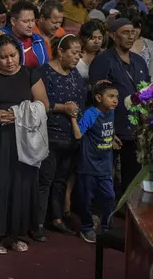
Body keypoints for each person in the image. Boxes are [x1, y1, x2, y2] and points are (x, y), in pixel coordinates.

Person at [0, 34, 49, 254]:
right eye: (3, 57)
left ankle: (14, 234)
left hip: (25, 138)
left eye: (13, 55)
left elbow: (43, 105)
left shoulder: (30, 74)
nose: (9, 61)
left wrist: (19, 113)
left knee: (22, 185)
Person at [33, 34, 85, 242]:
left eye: (79, 54)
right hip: (50, 135)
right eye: (73, 53)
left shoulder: (75, 74)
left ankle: (56, 218)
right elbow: (37, 103)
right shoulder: (44, 73)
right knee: (44, 180)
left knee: (61, 180)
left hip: (70, 136)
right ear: (60, 51)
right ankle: (36, 222)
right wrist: (61, 108)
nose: (77, 58)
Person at [89, 18, 150, 192]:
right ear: (113, 36)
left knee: (133, 173)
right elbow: (97, 97)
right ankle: (101, 211)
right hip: (111, 128)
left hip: (136, 128)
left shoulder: (139, 61)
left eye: (132, 32)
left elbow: (146, 91)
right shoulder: (103, 60)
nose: (130, 36)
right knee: (104, 174)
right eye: (125, 33)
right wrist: (108, 128)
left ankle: (127, 209)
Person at [71, 82, 118, 243]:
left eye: (116, 97)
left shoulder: (111, 113)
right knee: (86, 200)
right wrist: (72, 119)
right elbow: (78, 135)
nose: (115, 100)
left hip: (105, 166)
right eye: (111, 97)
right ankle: (86, 227)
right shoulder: (91, 114)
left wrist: (112, 139)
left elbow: (109, 130)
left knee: (109, 197)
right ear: (98, 98)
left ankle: (106, 228)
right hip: (89, 166)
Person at [0, 1, 48, 68]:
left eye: (32, 20)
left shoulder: (38, 40)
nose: (31, 25)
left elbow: (45, 66)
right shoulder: (2, 38)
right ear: (13, 21)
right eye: (25, 21)